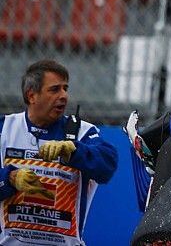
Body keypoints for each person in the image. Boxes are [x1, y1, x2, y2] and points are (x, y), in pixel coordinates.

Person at [0, 59, 118, 246]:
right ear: (32, 96)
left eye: (65, 88)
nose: (64, 95)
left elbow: (107, 165)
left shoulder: (82, 132)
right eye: (55, 89)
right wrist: (10, 178)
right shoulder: (4, 129)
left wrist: (73, 151)